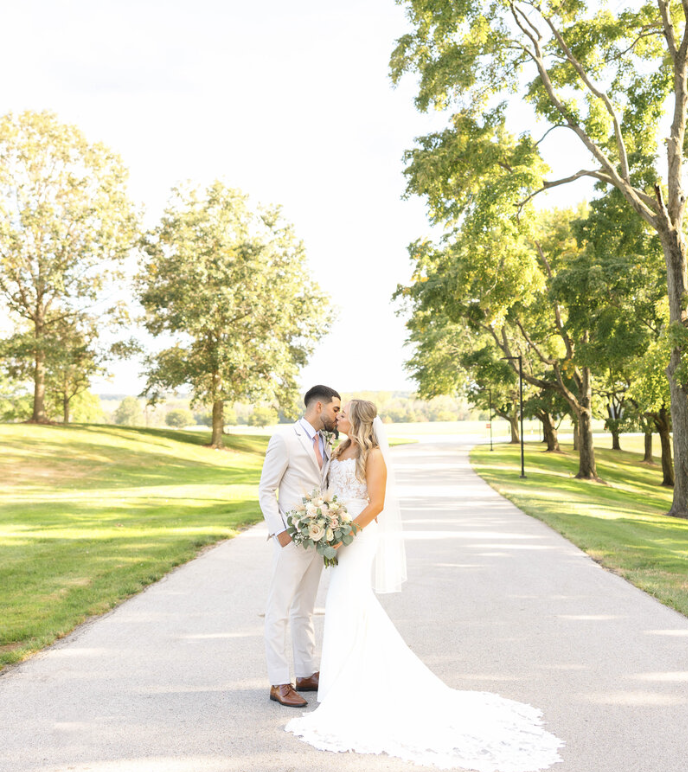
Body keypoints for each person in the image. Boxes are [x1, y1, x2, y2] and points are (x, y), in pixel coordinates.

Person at [286, 399, 564, 771]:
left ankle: (347, 685)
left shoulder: (374, 456)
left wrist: (344, 535)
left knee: (343, 602)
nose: (338, 415)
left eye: (344, 411)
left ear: (358, 419)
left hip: (358, 537)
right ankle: (341, 682)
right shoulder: (341, 447)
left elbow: (377, 504)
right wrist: (324, 523)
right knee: (349, 605)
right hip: (337, 534)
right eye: (337, 411)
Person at [259, 385, 341, 708]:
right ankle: (279, 682)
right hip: (292, 538)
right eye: (336, 409)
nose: (338, 415)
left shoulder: (326, 440)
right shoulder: (285, 439)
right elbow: (266, 490)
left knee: (305, 608)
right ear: (318, 407)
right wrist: (281, 533)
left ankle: (306, 673)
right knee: (278, 609)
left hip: (317, 539)